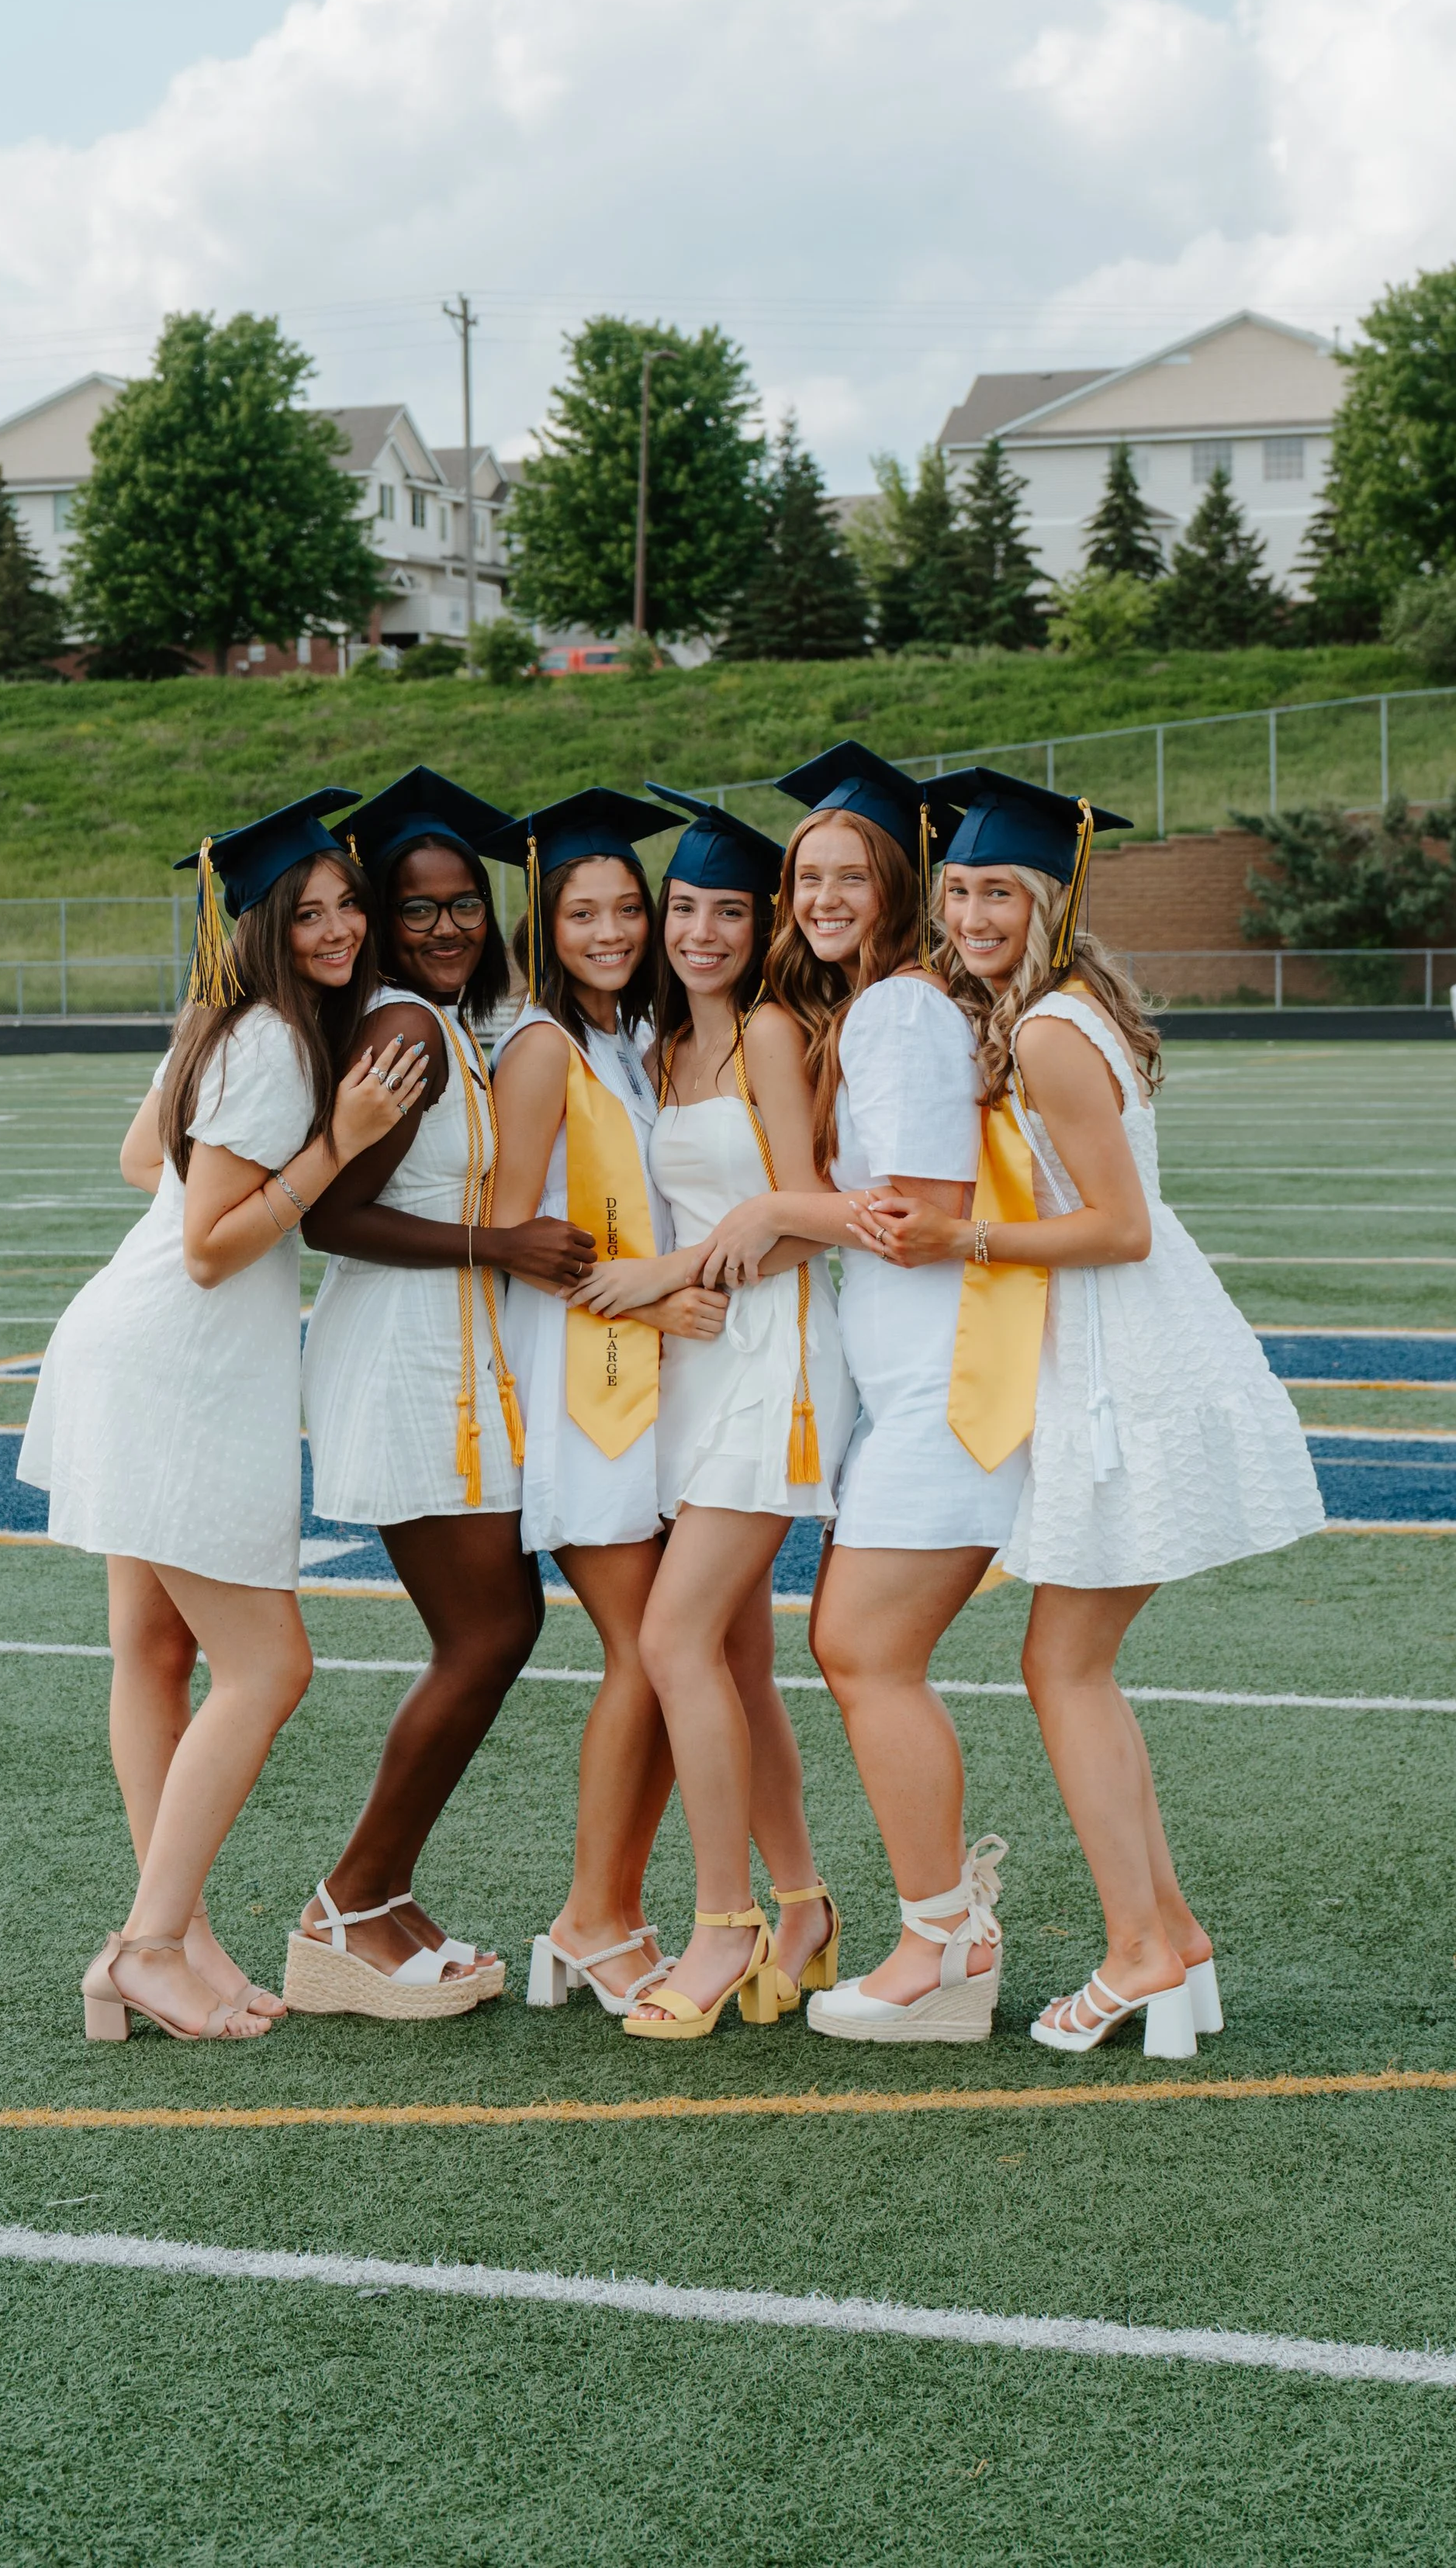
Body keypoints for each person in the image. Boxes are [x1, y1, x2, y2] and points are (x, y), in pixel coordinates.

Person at [858, 768, 1325, 2058]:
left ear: (1050, 898)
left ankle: (1136, 1952)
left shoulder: (1056, 1028)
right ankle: (1171, 1938)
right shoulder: (1060, 1008)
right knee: (1069, 1664)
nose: (970, 913)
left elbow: (1120, 1227)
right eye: (957, 890)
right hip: (1122, 1358)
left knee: (1063, 1666)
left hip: (1130, 1364)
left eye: (998, 890)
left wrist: (966, 1236)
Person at [19, 791, 426, 2044]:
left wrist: (268, 1160)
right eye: (306, 912)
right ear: (258, 926)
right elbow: (207, 1245)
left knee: (152, 1652)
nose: (340, 927)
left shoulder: (224, 1022)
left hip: (132, 1344)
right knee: (270, 1664)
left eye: (347, 903)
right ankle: (148, 1943)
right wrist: (335, 1143)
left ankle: (171, 1939)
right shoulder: (272, 1045)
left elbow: (144, 1159)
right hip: (178, 1363)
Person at [694, 742, 1037, 2044]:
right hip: (915, 1385)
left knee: (863, 1649)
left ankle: (945, 1944)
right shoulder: (886, 1005)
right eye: (807, 875)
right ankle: (947, 1931)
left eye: (850, 873)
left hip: (946, 1385)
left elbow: (921, 1218)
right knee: (861, 1648)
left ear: (898, 884)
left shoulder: (899, 1010)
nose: (822, 895)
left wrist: (775, 1202)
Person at [288, 769, 581, 2020]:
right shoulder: (403, 1029)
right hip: (408, 1354)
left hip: (450, 1352)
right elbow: (333, 1216)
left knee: (497, 1626)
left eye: (466, 904)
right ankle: (349, 1902)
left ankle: (380, 1894)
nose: (449, 927)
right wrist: (498, 1250)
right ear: (384, 924)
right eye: (417, 911)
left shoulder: (451, 1020)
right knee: (491, 1631)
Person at [564, 787, 856, 2041]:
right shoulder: (651, 1049)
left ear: (763, 922)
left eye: (726, 911)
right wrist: (658, 1290)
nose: (697, 932)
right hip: (693, 1374)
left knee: (676, 1644)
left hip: (774, 1369)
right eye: (682, 908)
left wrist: (666, 1277)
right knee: (736, 1658)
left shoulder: (774, 1038)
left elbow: (801, 1220)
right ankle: (804, 1908)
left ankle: (721, 1924)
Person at [484, 789, 728, 2016]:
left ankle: (606, 1911)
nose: (612, 928)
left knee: (661, 1656)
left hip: (643, 1386)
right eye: (583, 910)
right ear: (547, 920)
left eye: (628, 907)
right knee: (646, 1652)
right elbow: (518, 1239)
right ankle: (591, 1916)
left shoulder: (623, 1040)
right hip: (583, 1387)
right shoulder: (540, 1045)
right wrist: (647, 1305)